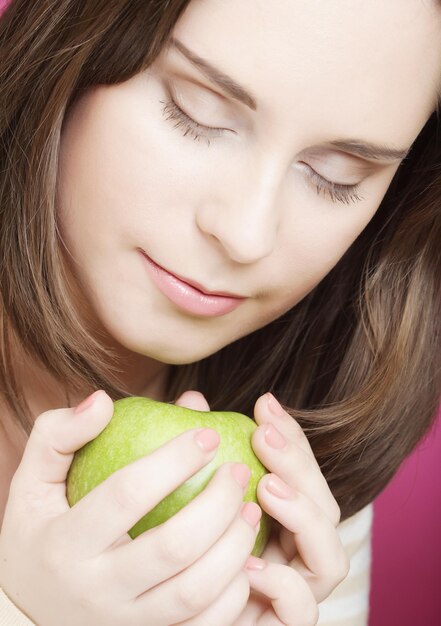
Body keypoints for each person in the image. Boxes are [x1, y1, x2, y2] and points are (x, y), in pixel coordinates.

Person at [0, 0, 440, 624]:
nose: (246, 234)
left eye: (335, 176)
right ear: (75, 49)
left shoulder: (293, 472)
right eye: (196, 114)